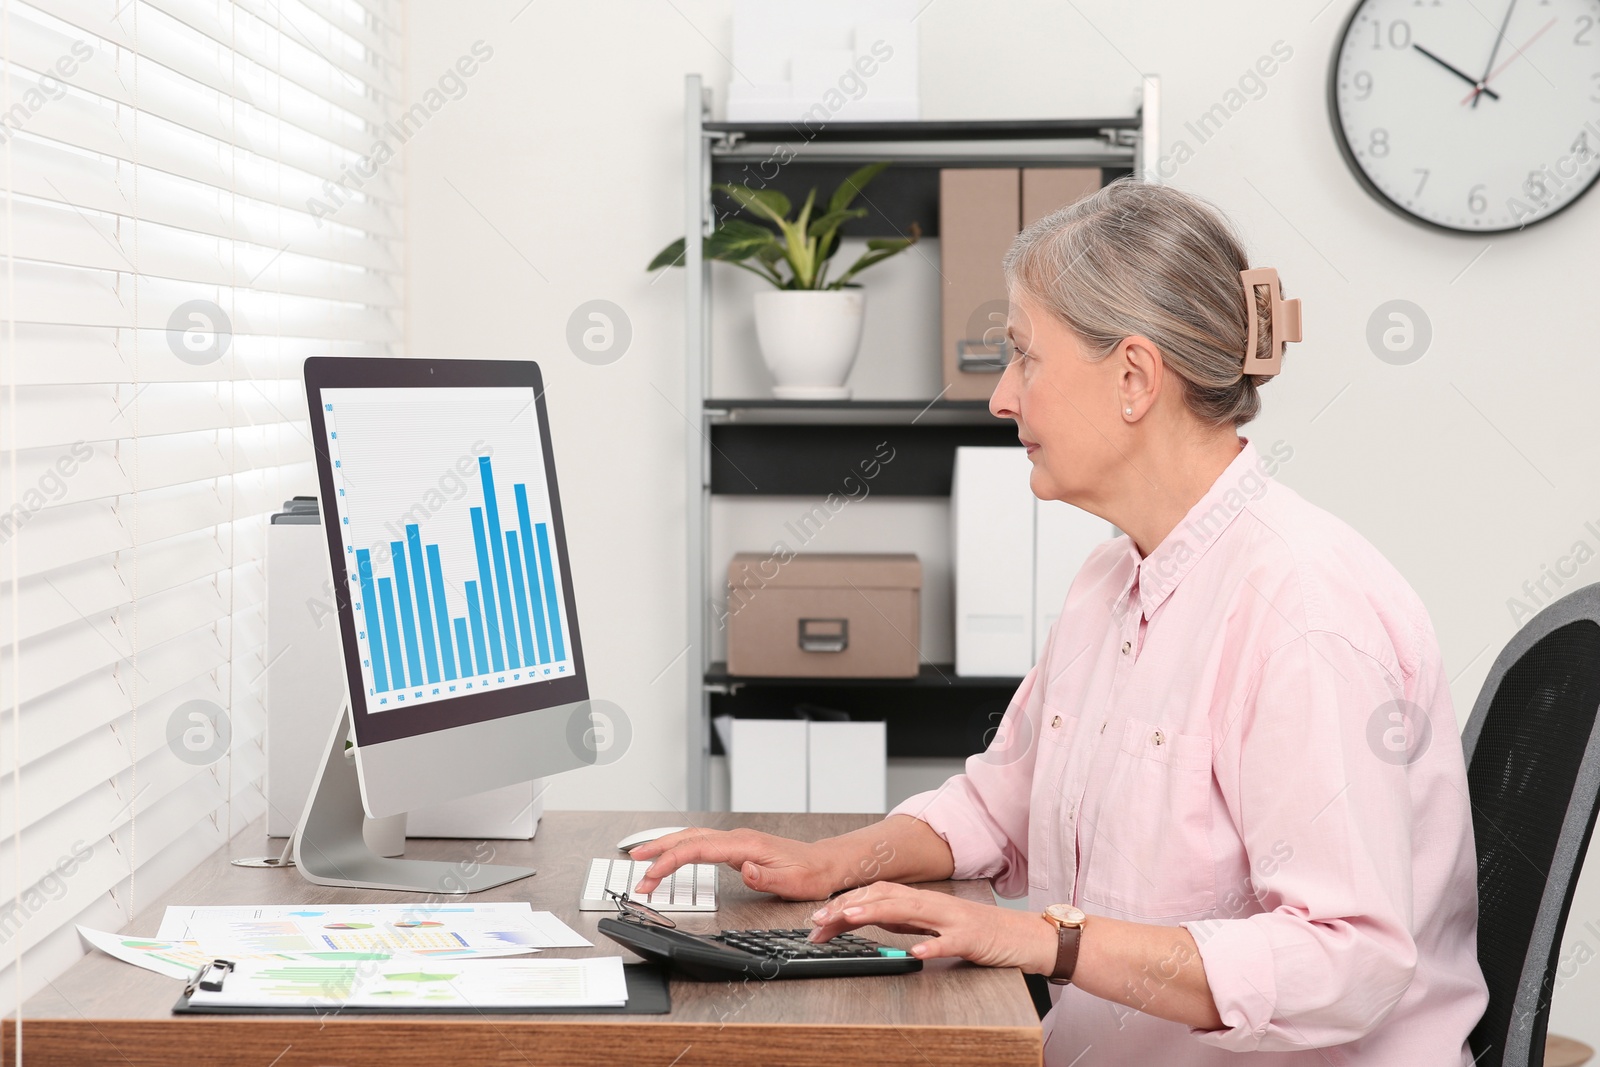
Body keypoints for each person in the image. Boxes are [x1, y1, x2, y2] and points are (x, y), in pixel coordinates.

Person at [633, 180, 1488, 1065]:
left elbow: (1351, 958)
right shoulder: (1113, 577)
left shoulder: (1306, 610)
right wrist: (834, 861)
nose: (1002, 396)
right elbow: (1001, 803)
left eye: (1024, 357)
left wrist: (1051, 939)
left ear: (1132, 376)